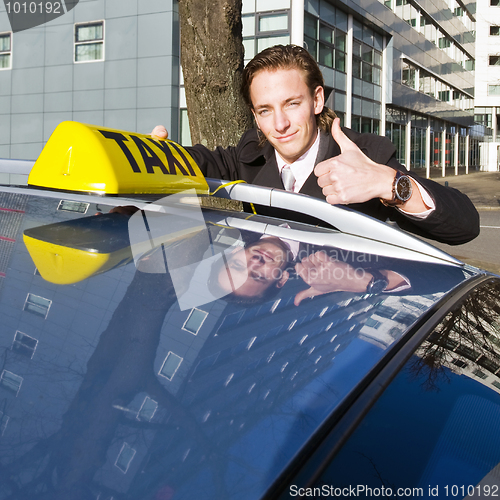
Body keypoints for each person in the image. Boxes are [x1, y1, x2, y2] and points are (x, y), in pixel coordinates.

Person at [152, 45, 478, 245]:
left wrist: (389, 184)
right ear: (255, 114)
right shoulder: (251, 151)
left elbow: (464, 226)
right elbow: (204, 161)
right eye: (265, 110)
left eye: (292, 104)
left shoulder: (363, 155)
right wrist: (152, 153)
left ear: (316, 99)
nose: (279, 125)